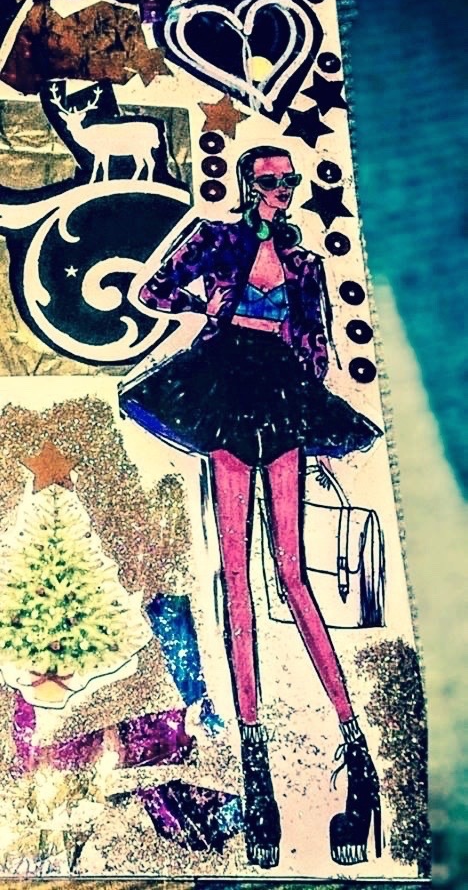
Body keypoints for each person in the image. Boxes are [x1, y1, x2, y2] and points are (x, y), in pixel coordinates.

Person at [119, 145, 382, 869]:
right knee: (234, 575)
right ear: (247, 183)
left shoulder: (303, 261)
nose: (283, 190)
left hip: (280, 389)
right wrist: (201, 304)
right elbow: (155, 290)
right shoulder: (219, 238)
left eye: (290, 181)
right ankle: (255, 766)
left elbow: (318, 342)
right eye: (271, 181)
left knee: (291, 573)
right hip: (225, 383)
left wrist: (304, 385)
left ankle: (356, 753)